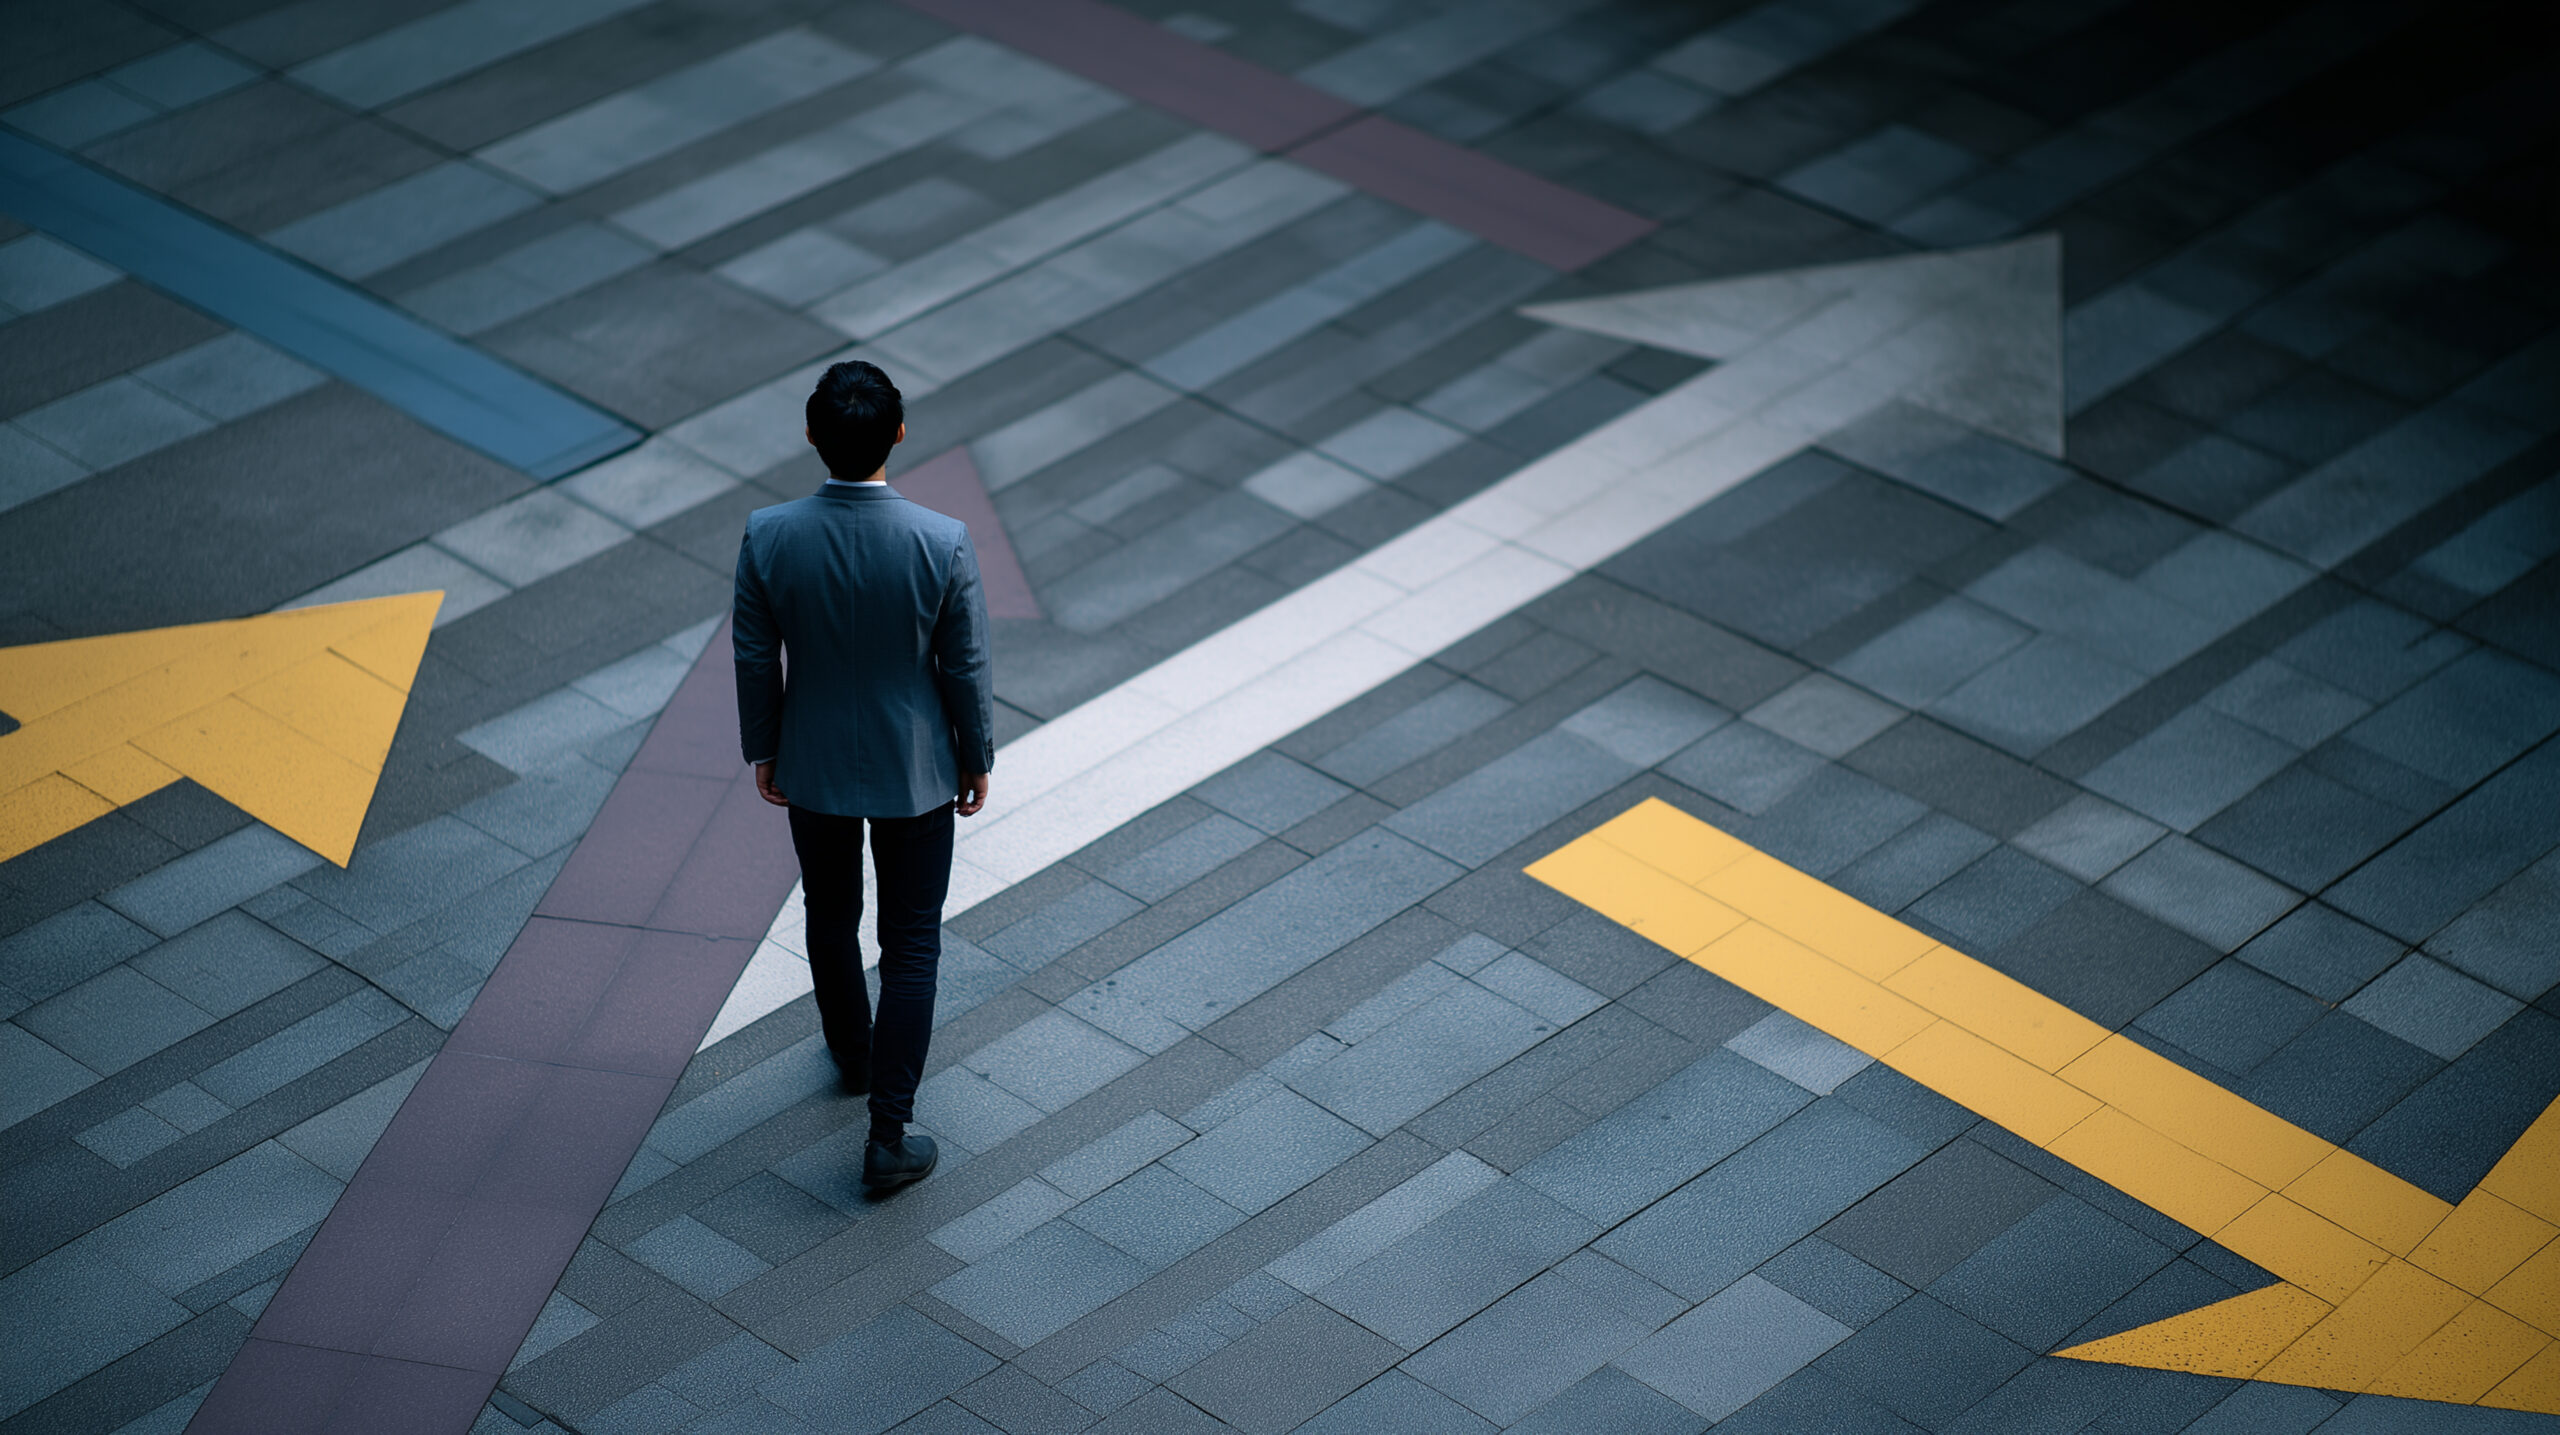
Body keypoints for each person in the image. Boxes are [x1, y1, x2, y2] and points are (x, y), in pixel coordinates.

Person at [733, 360, 993, 1194]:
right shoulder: (940, 539)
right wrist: (976, 753)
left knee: (829, 914)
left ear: (811, 434)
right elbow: (965, 663)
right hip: (916, 768)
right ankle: (889, 1132)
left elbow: (751, 653)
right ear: (901, 433)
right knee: (911, 942)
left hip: (811, 761)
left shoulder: (768, 533)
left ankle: (851, 1050)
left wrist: (765, 745)